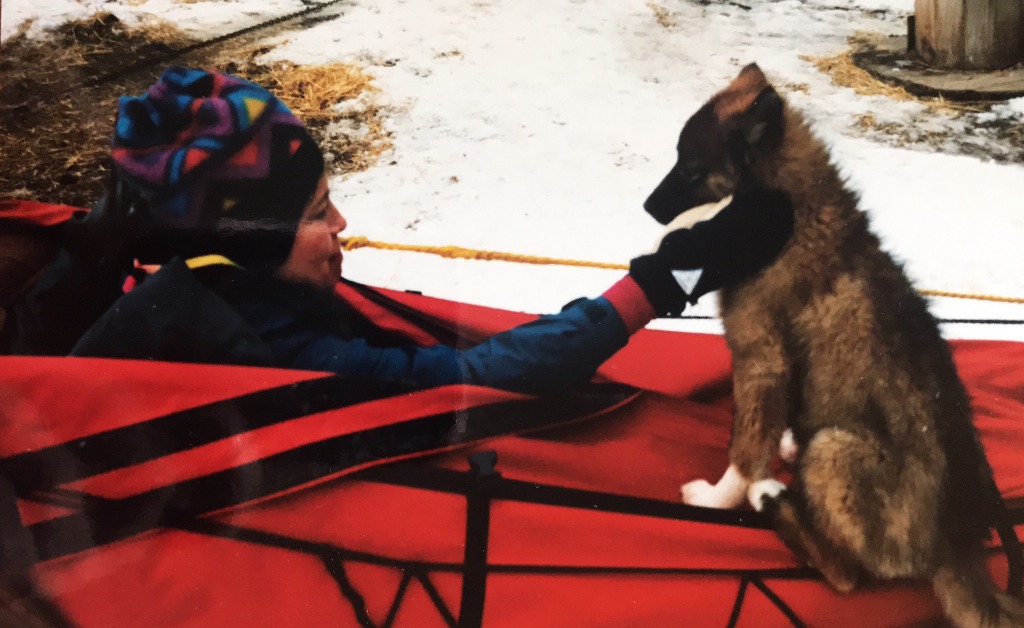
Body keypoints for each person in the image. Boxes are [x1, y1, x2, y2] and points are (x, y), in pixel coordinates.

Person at [1, 67, 794, 393]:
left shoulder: (216, 277)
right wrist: (673, 273)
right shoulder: (262, 347)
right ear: (245, 244)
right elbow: (477, 376)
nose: (343, 222)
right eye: (315, 214)